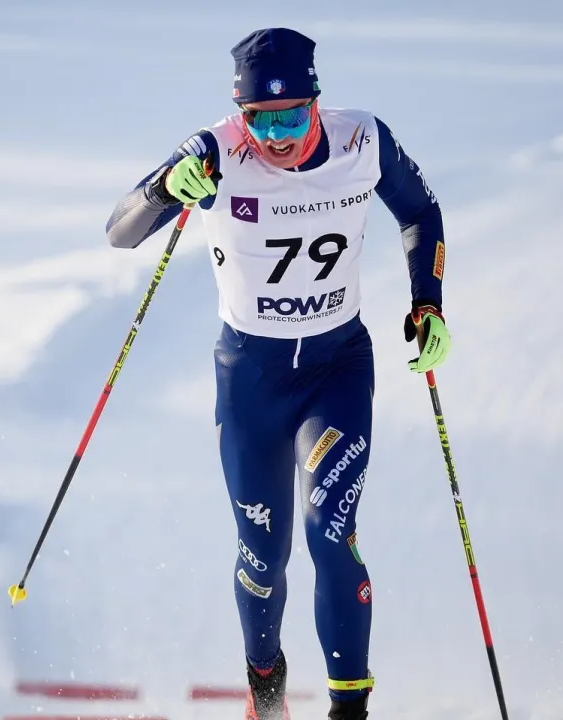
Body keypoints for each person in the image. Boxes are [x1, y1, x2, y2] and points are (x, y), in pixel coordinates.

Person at [105, 27, 451, 720]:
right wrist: (163, 187)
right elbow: (120, 231)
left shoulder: (364, 140)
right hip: (251, 380)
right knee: (262, 561)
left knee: (331, 532)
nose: (277, 136)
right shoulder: (214, 150)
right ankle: (264, 683)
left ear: (317, 102)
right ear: (240, 115)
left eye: (292, 115)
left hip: (335, 371)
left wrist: (427, 302)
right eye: (261, 121)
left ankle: (348, 707)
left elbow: (420, 212)